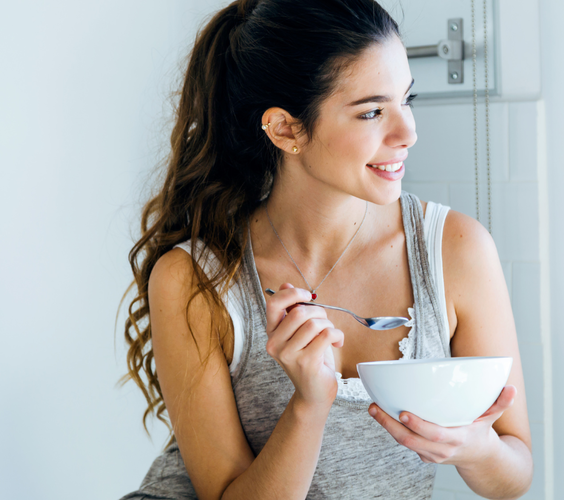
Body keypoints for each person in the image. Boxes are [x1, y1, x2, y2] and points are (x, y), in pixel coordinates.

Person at [120, 0, 533, 498]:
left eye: (408, 100)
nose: (408, 133)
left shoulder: (455, 250)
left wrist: (473, 447)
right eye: (372, 112)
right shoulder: (196, 279)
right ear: (285, 129)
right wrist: (309, 405)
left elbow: (514, 473)